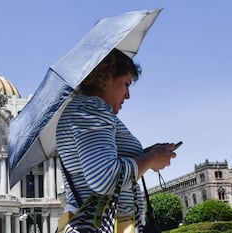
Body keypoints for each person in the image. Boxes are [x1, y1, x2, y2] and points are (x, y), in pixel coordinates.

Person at [56, 48, 176, 233]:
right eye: (126, 84)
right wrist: (151, 158)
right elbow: (105, 178)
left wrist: (147, 155)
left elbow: (103, 164)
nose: (128, 95)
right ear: (106, 77)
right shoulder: (91, 109)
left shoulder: (85, 109)